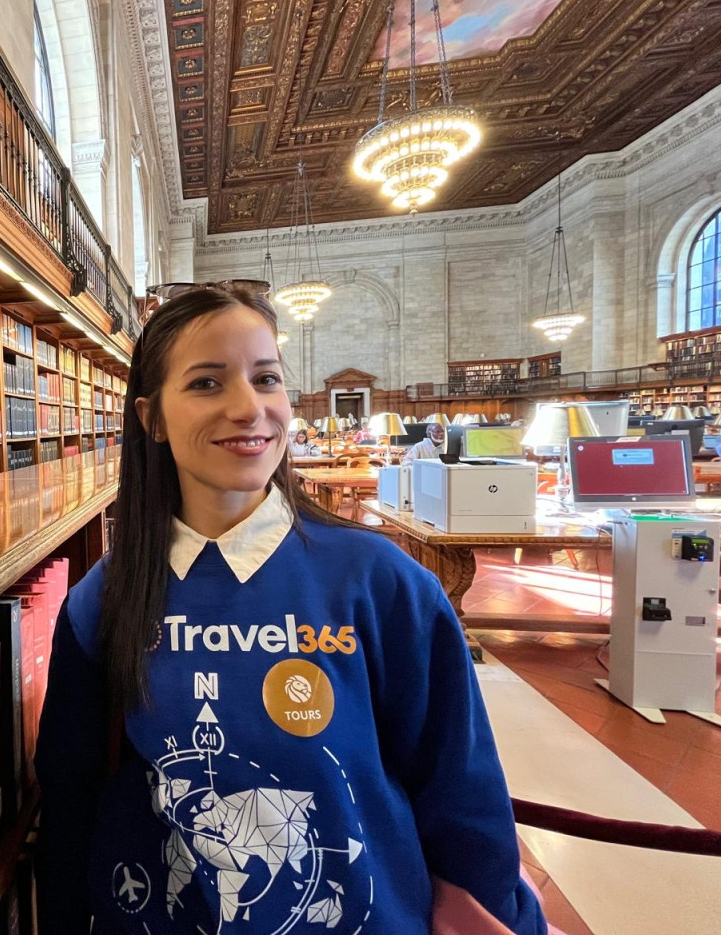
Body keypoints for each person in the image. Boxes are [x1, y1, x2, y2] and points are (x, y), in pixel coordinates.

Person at [35, 284, 547, 935]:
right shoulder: (101, 601)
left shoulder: (381, 582)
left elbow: (462, 788)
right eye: (207, 384)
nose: (249, 409)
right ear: (151, 419)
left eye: (266, 378)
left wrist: (498, 915)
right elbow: (70, 803)